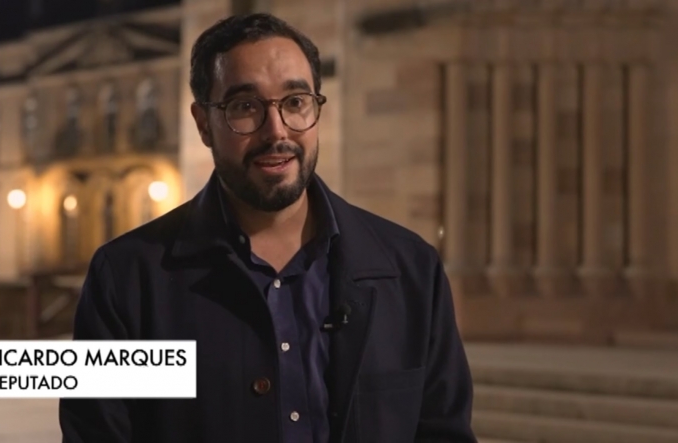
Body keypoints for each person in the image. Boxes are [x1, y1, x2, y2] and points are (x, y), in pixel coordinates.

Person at [59, 12, 476, 443]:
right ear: (203, 123)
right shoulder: (125, 279)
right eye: (244, 107)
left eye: (295, 102)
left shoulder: (412, 269)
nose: (276, 131)